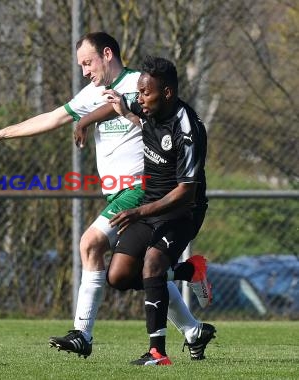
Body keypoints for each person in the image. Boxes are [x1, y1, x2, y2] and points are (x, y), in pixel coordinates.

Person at [0, 32, 214, 359]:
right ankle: (193, 327)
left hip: (141, 190)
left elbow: (132, 108)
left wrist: (98, 118)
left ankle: (83, 334)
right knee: (137, 272)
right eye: (81, 65)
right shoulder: (93, 94)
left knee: (90, 243)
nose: (85, 70)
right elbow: (54, 118)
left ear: (106, 54)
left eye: (88, 62)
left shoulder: (139, 85)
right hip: (118, 195)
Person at [93, 55, 211, 365]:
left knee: (153, 265)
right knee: (117, 277)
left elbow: (186, 192)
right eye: (140, 92)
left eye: (147, 93)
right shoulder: (146, 102)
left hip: (183, 211)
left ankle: (157, 352)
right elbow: (121, 100)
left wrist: (139, 213)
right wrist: (84, 120)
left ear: (168, 93)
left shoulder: (187, 129)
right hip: (149, 205)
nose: (140, 99)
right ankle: (189, 272)